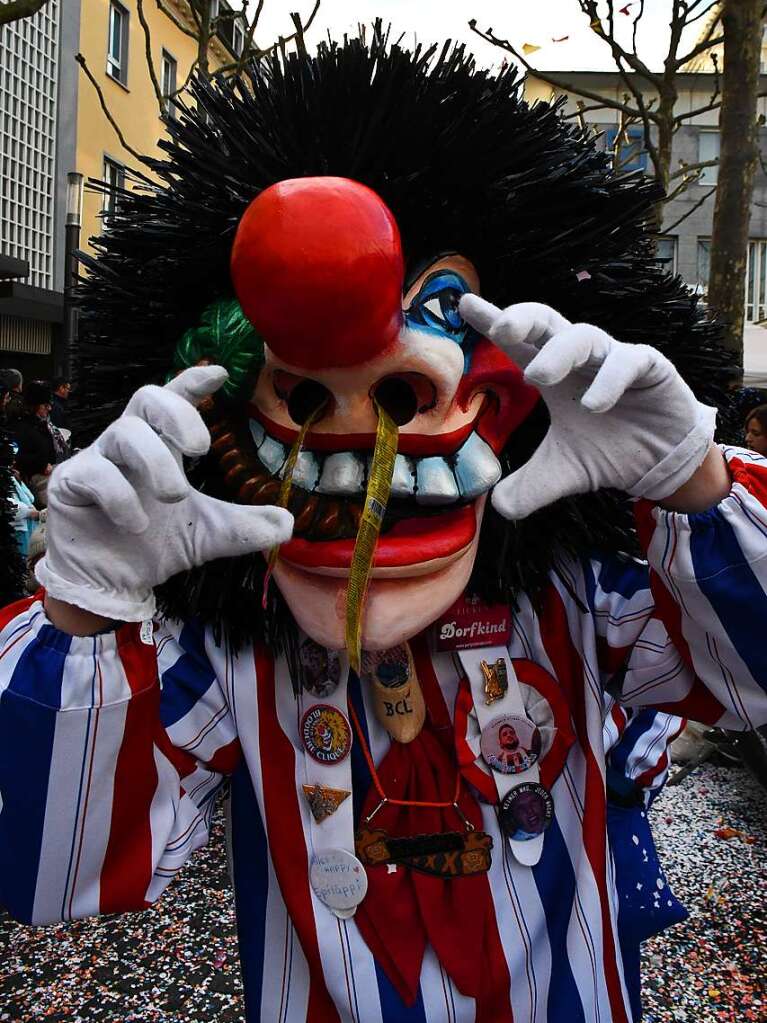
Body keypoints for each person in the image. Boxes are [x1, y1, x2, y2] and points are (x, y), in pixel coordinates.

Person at [1, 33, 766, 1023]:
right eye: (301, 374)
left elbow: (749, 678)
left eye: (438, 312)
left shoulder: (585, 597)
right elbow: (55, 866)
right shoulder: (221, 652)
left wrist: (690, 482)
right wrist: (83, 605)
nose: (367, 398)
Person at [6, 440, 40, 556]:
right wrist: (29, 512)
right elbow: (6, 504)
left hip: (28, 529)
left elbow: (29, 498)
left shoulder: (12, 474)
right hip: (16, 533)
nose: (14, 461)